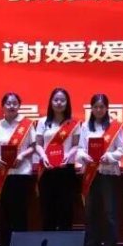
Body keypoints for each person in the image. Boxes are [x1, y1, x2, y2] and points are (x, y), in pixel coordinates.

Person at [0, 92, 36, 246]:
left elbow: (33, 146)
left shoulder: (27, 125)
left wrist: (21, 156)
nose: (12, 106)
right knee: (4, 212)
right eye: (8, 103)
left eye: (15, 103)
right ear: (3, 106)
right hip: (2, 173)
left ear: (19, 106)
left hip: (21, 173)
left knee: (20, 212)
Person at [77, 94, 123, 246]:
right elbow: (80, 148)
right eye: (96, 107)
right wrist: (84, 156)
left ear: (107, 108)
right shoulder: (85, 126)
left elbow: (122, 149)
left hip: (108, 172)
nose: (99, 110)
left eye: (102, 107)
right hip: (90, 172)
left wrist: (110, 156)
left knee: (109, 211)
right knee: (91, 210)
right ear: (91, 108)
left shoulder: (114, 126)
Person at [34, 87, 80, 231]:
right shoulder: (42, 122)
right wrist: (43, 156)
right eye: (56, 100)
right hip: (47, 169)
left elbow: (76, 145)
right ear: (51, 102)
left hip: (66, 169)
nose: (59, 103)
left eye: (62, 100)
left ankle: (65, 242)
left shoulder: (73, 123)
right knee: (48, 208)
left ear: (67, 103)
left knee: (66, 208)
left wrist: (68, 155)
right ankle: (49, 241)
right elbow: (38, 144)